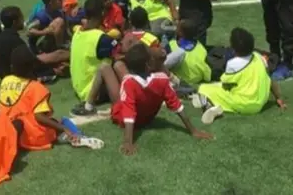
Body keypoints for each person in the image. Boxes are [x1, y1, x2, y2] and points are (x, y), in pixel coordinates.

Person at [75, 44, 213, 156]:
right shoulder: (162, 80)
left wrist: (128, 141)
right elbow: (177, 107)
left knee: (105, 67)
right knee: (117, 67)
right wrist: (193, 130)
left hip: (121, 115)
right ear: (148, 64)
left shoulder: (129, 82)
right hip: (147, 118)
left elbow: (128, 114)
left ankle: (88, 107)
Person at [0, 45, 104, 151]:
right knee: (62, 121)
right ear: (32, 66)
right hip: (32, 137)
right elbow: (39, 116)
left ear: (12, 67)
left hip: (12, 133)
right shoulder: (36, 87)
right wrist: (63, 128)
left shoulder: (5, 81)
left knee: (46, 122)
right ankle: (77, 136)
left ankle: (64, 136)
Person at [192, 28, 287, 124]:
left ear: (233, 47)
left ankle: (210, 106)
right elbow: (271, 81)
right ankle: (210, 106)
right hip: (260, 102)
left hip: (243, 104)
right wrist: (278, 98)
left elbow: (226, 85)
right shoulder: (259, 57)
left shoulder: (232, 64)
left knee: (204, 88)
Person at [69, 0, 119, 112]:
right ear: (102, 12)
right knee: (121, 63)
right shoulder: (100, 38)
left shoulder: (77, 32)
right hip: (94, 92)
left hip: (80, 89)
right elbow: (119, 53)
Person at [0, 6, 69, 79]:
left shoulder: (2, 37)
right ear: (14, 22)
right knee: (59, 54)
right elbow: (31, 64)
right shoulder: (15, 41)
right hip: (17, 75)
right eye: (21, 18)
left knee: (53, 55)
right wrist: (52, 70)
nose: (23, 21)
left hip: (8, 71)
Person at [165, 19, 212, 87]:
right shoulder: (201, 48)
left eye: (177, 27)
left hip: (179, 81)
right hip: (198, 80)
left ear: (180, 33)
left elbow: (163, 65)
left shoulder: (171, 45)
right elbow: (207, 71)